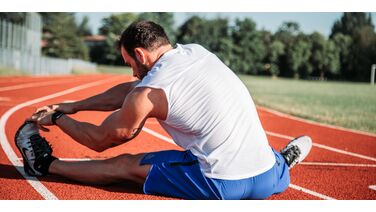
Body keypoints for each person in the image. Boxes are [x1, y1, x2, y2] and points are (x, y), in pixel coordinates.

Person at [15, 21, 312, 200]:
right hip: (267, 179)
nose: (132, 72)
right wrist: (74, 106)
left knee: (124, 165)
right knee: (248, 141)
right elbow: (132, 90)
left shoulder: (149, 92)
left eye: (130, 63)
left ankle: (44, 165)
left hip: (221, 184)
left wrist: (58, 117)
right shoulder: (196, 52)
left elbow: (101, 139)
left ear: (141, 54)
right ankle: (283, 162)